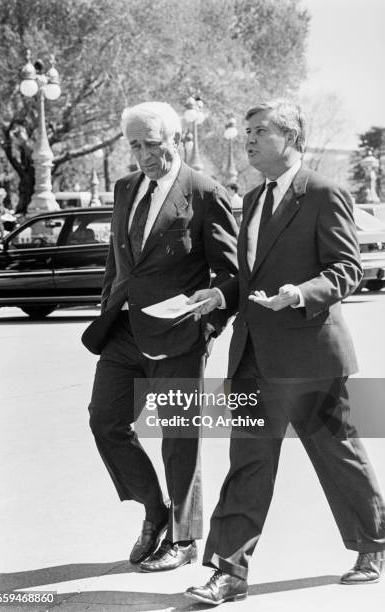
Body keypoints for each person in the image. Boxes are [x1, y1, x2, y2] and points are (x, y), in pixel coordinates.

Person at [185, 99, 385, 605]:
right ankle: (228, 572)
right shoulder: (250, 200)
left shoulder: (322, 192)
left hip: (311, 353)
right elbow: (247, 278)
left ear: (289, 137)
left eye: (257, 131)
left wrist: (298, 294)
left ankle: (374, 543)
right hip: (252, 353)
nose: (247, 139)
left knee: (337, 454)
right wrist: (221, 295)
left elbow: (346, 269)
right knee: (247, 464)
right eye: (246, 131)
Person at [84, 101, 238, 572]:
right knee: (105, 423)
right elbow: (119, 254)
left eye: (153, 144)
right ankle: (156, 511)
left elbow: (231, 275)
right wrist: (109, 299)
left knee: (178, 436)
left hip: (179, 336)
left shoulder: (205, 192)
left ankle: (185, 539)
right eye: (135, 145)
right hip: (124, 332)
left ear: (176, 139)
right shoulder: (125, 187)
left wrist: (205, 328)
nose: (145, 154)